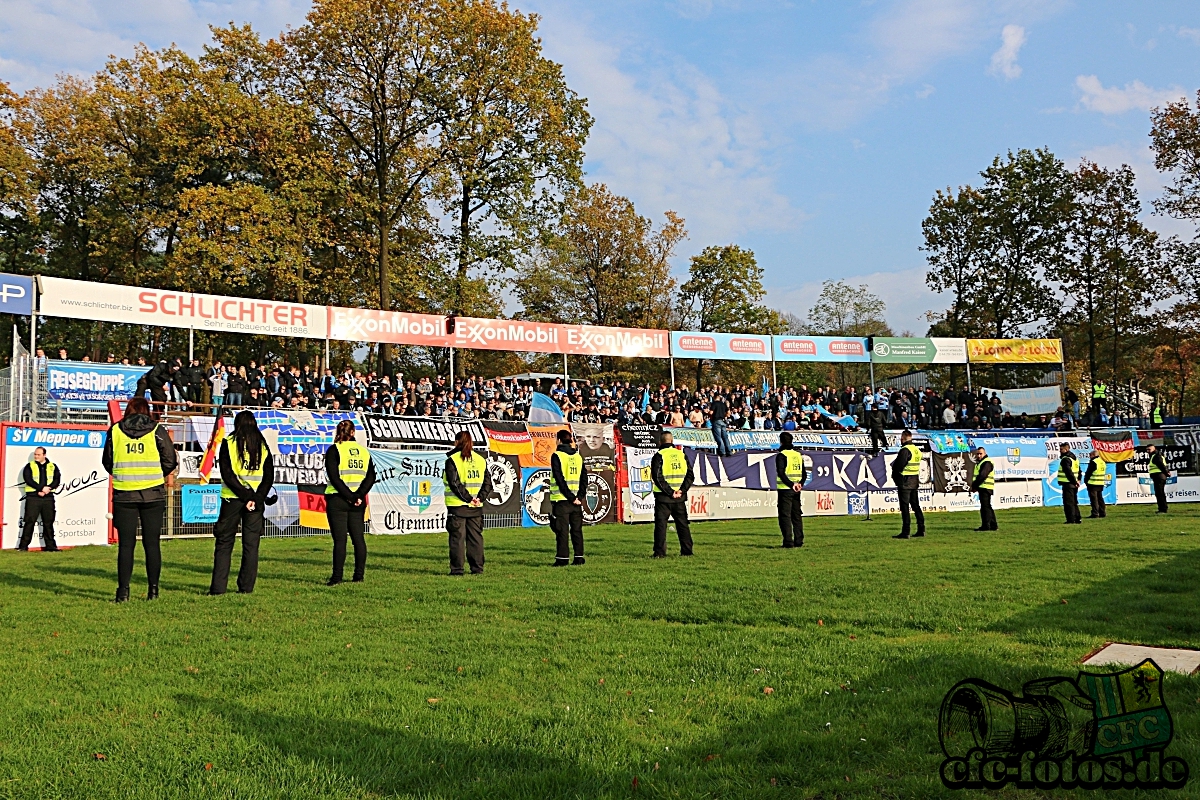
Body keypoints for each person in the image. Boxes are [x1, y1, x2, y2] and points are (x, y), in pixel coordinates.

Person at [102, 396, 177, 602]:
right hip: (152, 494)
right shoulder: (156, 429)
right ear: (147, 410)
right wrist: (155, 474)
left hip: (124, 494)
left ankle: (123, 592)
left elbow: (107, 461)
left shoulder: (115, 430)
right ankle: (153, 591)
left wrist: (122, 473)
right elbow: (170, 459)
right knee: (152, 544)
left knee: (126, 546)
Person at [209, 411, 275, 595]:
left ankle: (218, 588)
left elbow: (227, 474)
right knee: (251, 545)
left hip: (233, 498)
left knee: (224, 543)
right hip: (255, 500)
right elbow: (269, 475)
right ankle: (246, 587)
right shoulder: (262, 445)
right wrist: (256, 498)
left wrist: (246, 496)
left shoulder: (229, 443)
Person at [324, 420, 376, 585]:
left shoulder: (334, 450)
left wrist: (349, 496)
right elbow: (371, 477)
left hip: (338, 499)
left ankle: (337, 577)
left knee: (340, 541)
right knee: (358, 539)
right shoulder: (363, 451)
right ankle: (358, 576)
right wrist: (358, 495)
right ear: (353, 432)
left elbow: (334, 477)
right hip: (358, 501)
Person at [444, 430, 492, 575]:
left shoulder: (452, 460)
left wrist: (468, 498)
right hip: (476, 507)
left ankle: (457, 570)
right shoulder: (480, 459)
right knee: (476, 539)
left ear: (457, 442)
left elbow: (454, 483)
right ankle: (477, 569)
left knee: (457, 540)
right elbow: (488, 483)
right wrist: (479, 498)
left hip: (457, 506)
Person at [651, 431, 695, 557]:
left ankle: (659, 552)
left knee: (661, 526)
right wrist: (681, 490)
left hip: (663, 498)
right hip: (680, 497)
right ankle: (687, 551)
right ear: (672, 441)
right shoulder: (681, 454)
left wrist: (670, 492)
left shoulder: (659, 455)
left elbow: (657, 477)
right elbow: (690, 475)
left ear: (661, 441)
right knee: (683, 525)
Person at [549, 429, 587, 566]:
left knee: (562, 531)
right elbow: (584, 479)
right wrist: (579, 497)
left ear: (559, 440)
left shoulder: (557, 456)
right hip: (576, 501)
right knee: (577, 530)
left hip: (562, 499)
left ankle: (562, 559)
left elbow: (560, 479)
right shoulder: (578, 456)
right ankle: (579, 557)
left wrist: (570, 497)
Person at [19, 447, 60, 551]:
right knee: (29, 522)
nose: (36, 456)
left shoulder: (52, 466)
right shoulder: (29, 466)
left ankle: (51, 547)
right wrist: (41, 488)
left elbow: (57, 480)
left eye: (38, 455)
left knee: (48, 523)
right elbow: (28, 479)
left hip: (48, 498)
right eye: (35, 454)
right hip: (33, 497)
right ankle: (23, 547)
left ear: (44, 455)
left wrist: (48, 489)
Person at [774, 431, 807, 548]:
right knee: (796, 515)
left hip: (785, 489)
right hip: (797, 490)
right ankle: (799, 541)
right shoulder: (797, 455)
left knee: (785, 516)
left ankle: (788, 541)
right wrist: (800, 484)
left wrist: (791, 484)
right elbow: (804, 473)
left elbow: (781, 473)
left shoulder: (781, 455)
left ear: (781, 442)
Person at [891, 429, 924, 539]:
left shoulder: (905, 450)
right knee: (916, 506)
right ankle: (921, 529)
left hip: (904, 482)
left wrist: (895, 477)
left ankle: (906, 532)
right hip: (914, 481)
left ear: (903, 438)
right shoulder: (917, 450)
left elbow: (898, 466)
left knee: (905, 508)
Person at [969, 445, 997, 531]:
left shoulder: (986, 462)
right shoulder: (983, 462)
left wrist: (974, 486)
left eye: (980, 454)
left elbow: (982, 476)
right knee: (987, 506)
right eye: (977, 454)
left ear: (985, 453)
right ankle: (993, 525)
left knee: (985, 508)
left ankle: (986, 526)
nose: (978, 456)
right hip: (984, 486)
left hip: (985, 487)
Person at [1057, 443, 1082, 524]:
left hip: (1068, 483)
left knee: (1068, 503)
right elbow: (1079, 471)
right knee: (1074, 502)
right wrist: (1078, 480)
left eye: (1061, 449)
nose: (1060, 451)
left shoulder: (1065, 459)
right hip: (1074, 484)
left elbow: (1068, 472)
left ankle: (1071, 520)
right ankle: (1077, 518)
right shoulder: (1074, 459)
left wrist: (1074, 482)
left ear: (1066, 449)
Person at [1084, 451, 1108, 519]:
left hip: (1093, 483)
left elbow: (1089, 472)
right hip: (1100, 483)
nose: (1089, 457)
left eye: (1090, 455)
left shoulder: (1094, 462)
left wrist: (1086, 481)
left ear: (1093, 455)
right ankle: (1102, 512)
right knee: (1100, 499)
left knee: (1094, 499)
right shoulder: (1102, 462)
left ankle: (1095, 513)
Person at [1147, 444, 1169, 514]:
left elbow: (1161, 465)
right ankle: (1163, 508)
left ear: (1153, 448)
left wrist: (1166, 473)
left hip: (1159, 476)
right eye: (1147, 450)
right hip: (1159, 476)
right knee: (1160, 493)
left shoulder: (1156, 456)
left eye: (1149, 449)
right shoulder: (1156, 455)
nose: (1148, 451)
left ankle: (1162, 509)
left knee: (1159, 494)